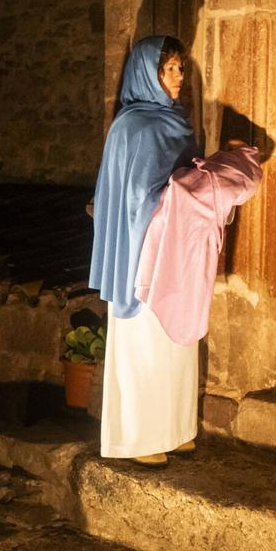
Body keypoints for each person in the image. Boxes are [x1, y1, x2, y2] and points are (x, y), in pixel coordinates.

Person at [90, 36, 199, 467]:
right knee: (144, 347)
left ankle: (173, 429)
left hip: (175, 252)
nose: (177, 77)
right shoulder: (132, 128)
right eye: (168, 69)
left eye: (179, 68)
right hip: (141, 256)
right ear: (146, 74)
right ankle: (138, 437)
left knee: (175, 342)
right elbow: (138, 197)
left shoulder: (175, 122)